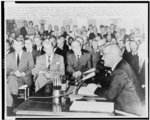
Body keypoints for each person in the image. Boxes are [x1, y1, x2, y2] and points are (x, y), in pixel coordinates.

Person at [94, 44, 144, 115]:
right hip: (128, 106)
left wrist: (95, 89)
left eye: (104, 55)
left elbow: (110, 95)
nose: (102, 58)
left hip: (131, 111)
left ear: (112, 55)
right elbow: (114, 84)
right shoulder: (122, 65)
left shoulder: (120, 70)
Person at [6, 38, 34, 111]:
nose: (16, 47)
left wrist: (22, 73)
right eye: (14, 45)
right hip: (13, 78)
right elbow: (7, 69)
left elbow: (32, 68)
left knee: (8, 84)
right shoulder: (9, 56)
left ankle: (11, 105)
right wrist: (12, 72)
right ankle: (17, 102)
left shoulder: (28, 55)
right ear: (13, 45)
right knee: (11, 78)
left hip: (24, 78)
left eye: (18, 45)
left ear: (23, 45)